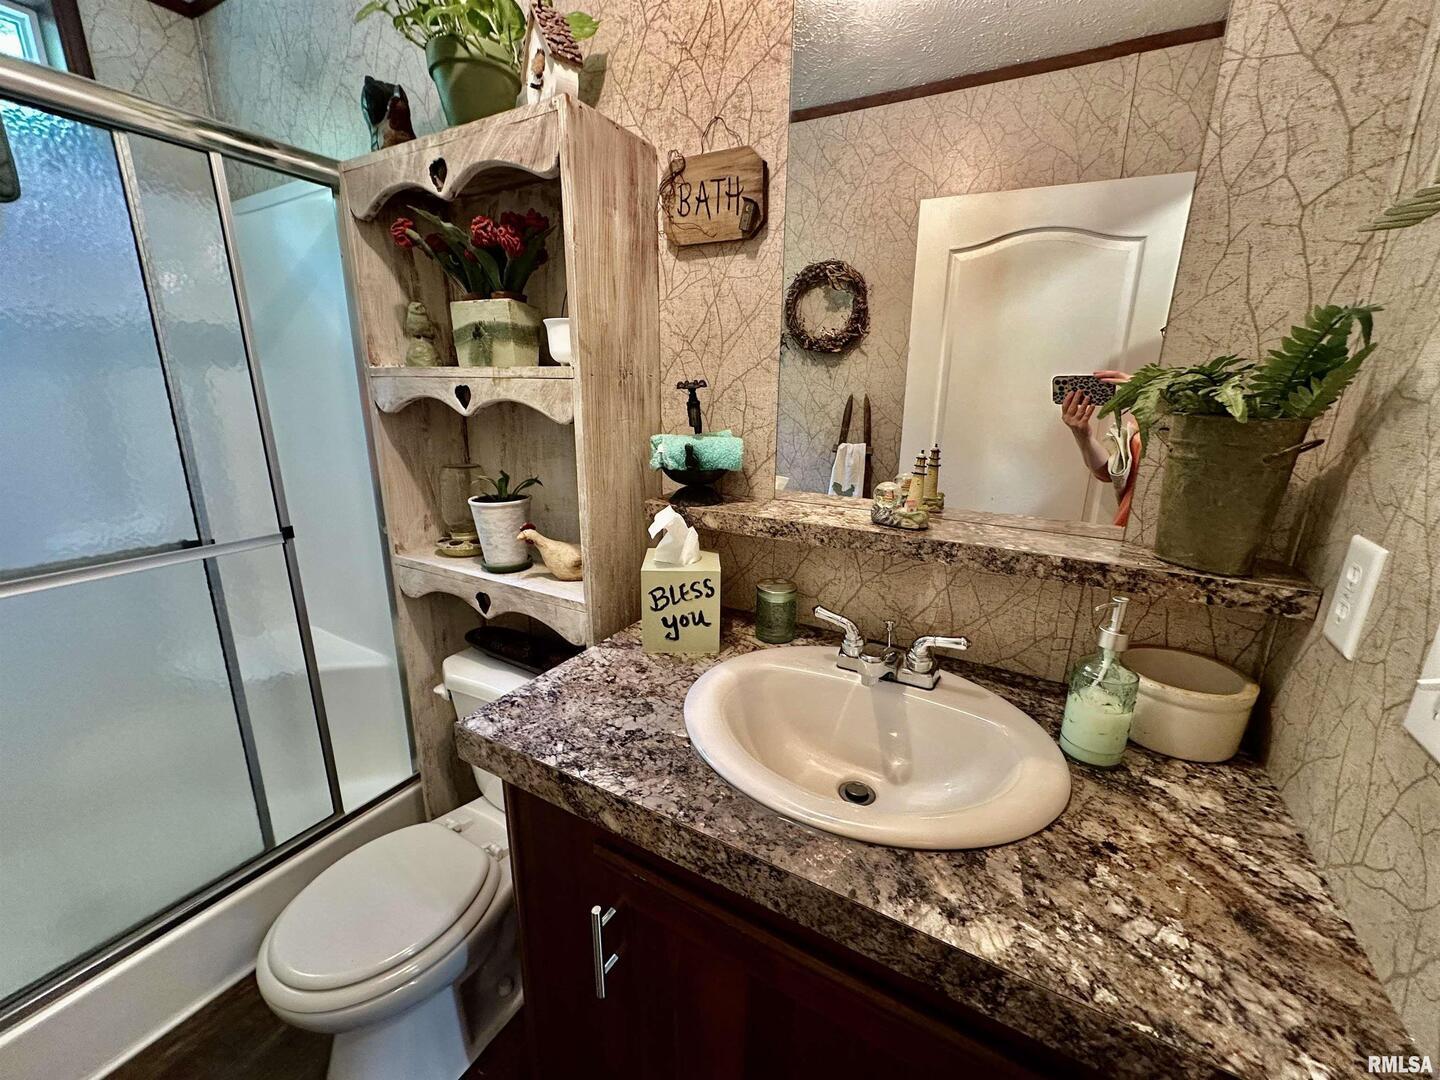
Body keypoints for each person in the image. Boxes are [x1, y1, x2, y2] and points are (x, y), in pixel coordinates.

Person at [1059, 370, 1141, 527]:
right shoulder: (1148, 416)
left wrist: (1153, 393)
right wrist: (1083, 436)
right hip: (1126, 527)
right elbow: (1111, 472)